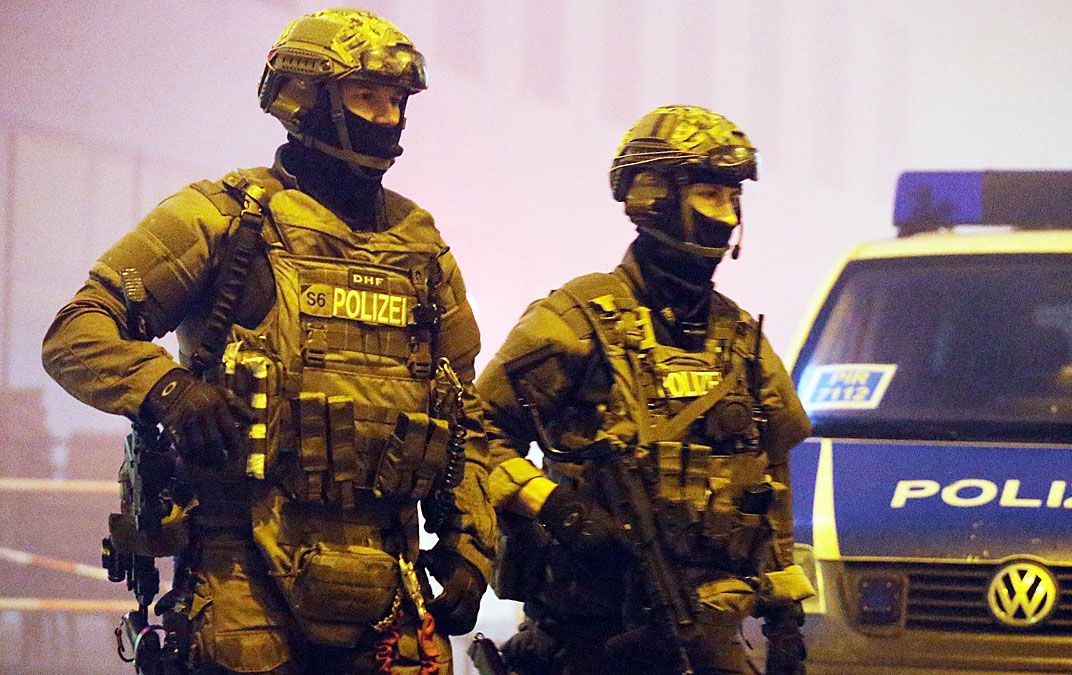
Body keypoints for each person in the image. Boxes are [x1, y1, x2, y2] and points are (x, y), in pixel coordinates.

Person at [42, 8, 494, 674]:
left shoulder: (419, 248)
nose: (390, 116)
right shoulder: (223, 219)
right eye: (367, 94)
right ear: (305, 98)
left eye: (397, 99)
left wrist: (470, 545)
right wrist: (168, 389)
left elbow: (465, 416)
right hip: (240, 573)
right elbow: (77, 330)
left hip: (386, 574)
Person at [478, 105, 814, 675]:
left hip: (705, 638)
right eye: (711, 194)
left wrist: (785, 619)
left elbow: (770, 482)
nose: (728, 214)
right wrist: (551, 504)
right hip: (587, 634)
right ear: (654, 195)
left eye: (734, 198)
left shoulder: (740, 341)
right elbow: (476, 430)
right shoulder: (578, 320)